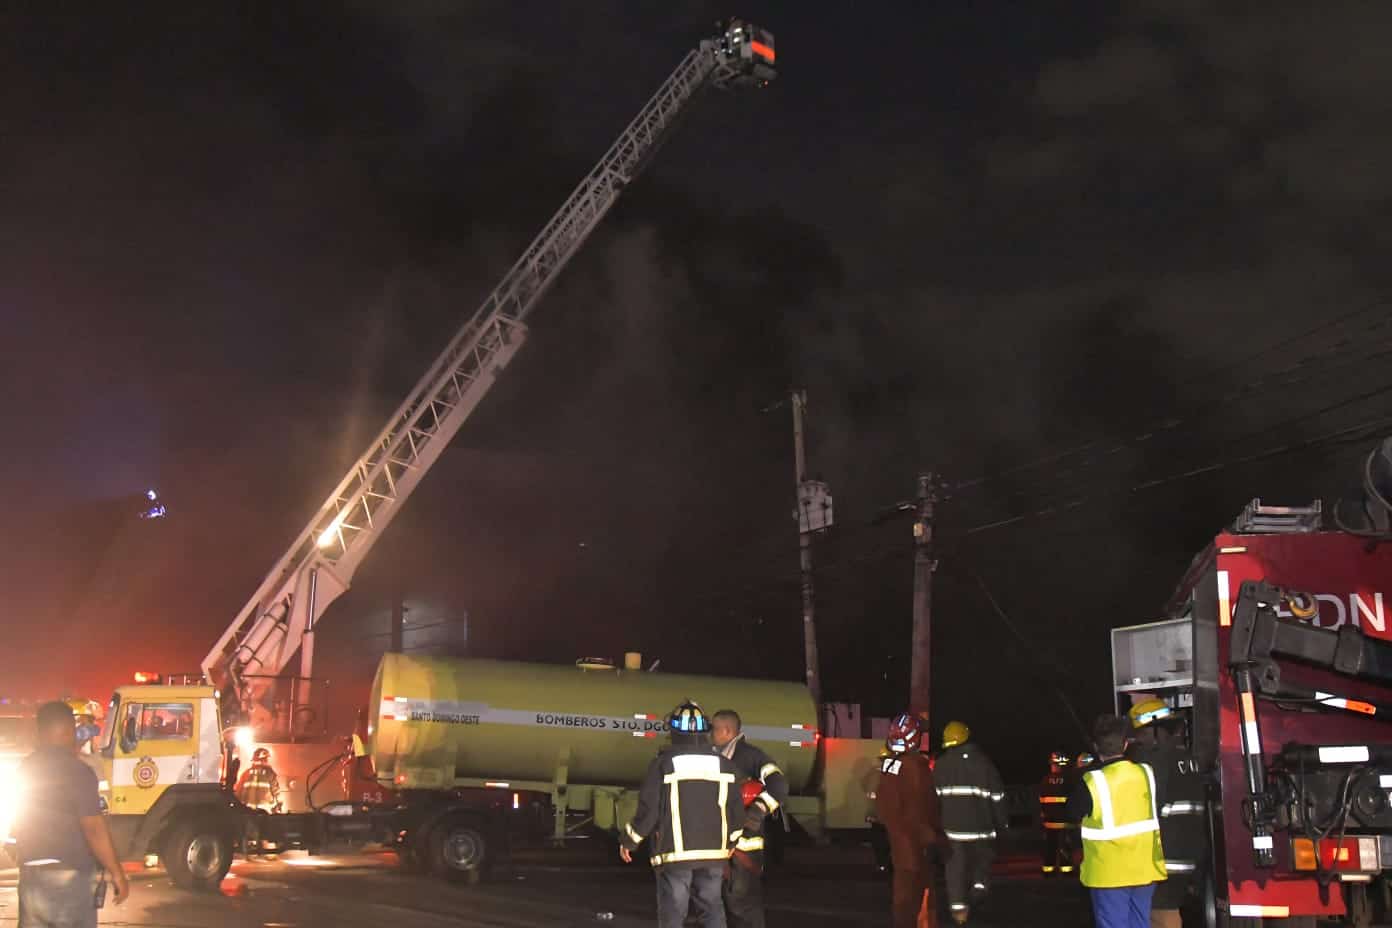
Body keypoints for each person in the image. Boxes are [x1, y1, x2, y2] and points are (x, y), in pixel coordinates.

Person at [620, 701, 745, 928]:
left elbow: (649, 809)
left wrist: (630, 840)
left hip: (676, 855)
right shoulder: (726, 766)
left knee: (674, 913)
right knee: (712, 908)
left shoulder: (663, 764)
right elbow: (736, 812)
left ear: (674, 730)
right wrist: (732, 841)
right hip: (714, 854)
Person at [13, 701, 130, 928]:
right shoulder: (79, 772)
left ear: (40, 732)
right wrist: (117, 874)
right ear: (69, 731)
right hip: (69, 880)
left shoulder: (25, 768)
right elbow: (94, 828)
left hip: (31, 878)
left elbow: (18, 819)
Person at [1066, 714, 1167, 928]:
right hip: (1143, 869)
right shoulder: (1146, 773)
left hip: (1108, 873)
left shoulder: (1092, 781)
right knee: (1140, 923)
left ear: (1096, 746)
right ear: (1126, 743)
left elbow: (1072, 813)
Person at [1127, 699, 1205, 928]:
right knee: (1168, 911)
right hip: (1186, 855)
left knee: (1159, 914)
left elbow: (1147, 807)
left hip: (1163, 858)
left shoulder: (1156, 761)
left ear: (1156, 730)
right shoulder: (1189, 759)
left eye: (1141, 734)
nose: (1138, 740)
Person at [712, 709, 789, 928]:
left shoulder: (750, 756)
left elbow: (779, 785)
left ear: (727, 731)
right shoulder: (716, 756)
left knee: (743, 905)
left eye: (714, 730)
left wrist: (757, 810)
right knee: (720, 905)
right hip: (721, 846)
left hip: (744, 849)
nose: (711, 735)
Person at [875, 712, 947, 928]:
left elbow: (885, 808)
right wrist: (933, 839)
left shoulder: (890, 766)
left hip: (899, 846)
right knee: (919, 902)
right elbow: (919, 810)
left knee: (903, 900)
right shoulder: (915, 768)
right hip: (916, 848)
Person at [932, 720, 1006, 925]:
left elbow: (934, 800)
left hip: (952, 832)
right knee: (982, 863)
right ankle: (978, 888)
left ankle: (958, 911)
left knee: (954, 869)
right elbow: (998, 797)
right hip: (982, 830)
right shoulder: (984, 763)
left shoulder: (941, 765)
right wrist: (1002, 823)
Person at [1038, 750, 1077, 877]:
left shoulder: (1045, 780)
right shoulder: (1070, 779)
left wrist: (1043, 816)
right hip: (1066, 822)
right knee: (1065, 847)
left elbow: (1041, 800)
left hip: (1050, 822)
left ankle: (1048, 871)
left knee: (1050, 847)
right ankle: (1066, 871)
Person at [236, 747, 281, 813]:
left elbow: (238, 792)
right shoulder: (269, 773)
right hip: (264, 813)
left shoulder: (246, 773)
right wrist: (278, 805)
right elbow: (276, 791)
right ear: (264, 759)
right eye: (267, 759)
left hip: (247, 813)